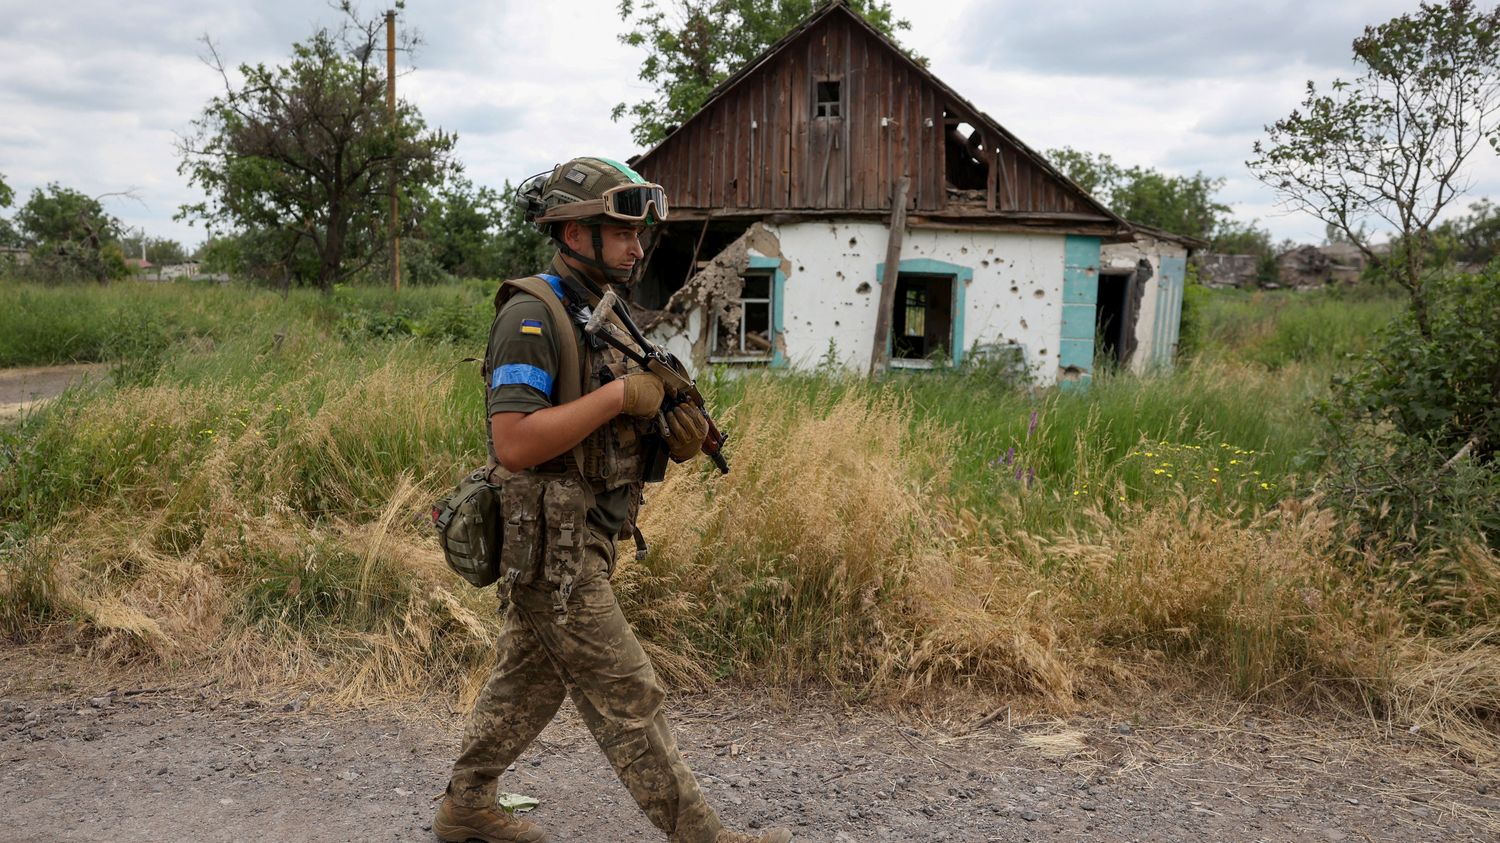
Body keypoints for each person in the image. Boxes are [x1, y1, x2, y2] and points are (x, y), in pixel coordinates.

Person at [434, 157, 793, 843]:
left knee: (530, 682)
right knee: (629, 693)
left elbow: (610, 420)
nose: (637, 247)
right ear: (572, 231)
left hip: (588, 531)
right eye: (621, 233)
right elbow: (514, 442)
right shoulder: (532, 317)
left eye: (638, 234)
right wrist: (618, 397)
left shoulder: (602, 306)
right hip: (550, 544)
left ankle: (467, 805)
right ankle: (705, 837)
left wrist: (666, 429)